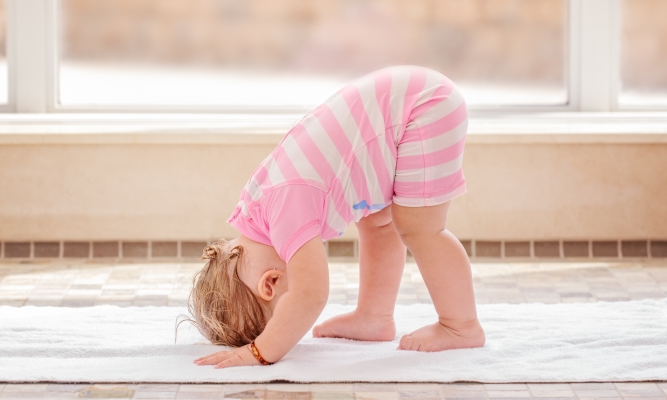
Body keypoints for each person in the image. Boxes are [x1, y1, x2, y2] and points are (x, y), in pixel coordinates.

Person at [187, 65, 485, 369]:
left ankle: (460, 325)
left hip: (423, 108)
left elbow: (310, 294)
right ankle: (374, 317)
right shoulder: (257, 207)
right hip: (408, 103)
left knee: (420, 228)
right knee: (379, 222)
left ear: (270, 284)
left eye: (282, 317)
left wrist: (259, 351)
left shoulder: (284, 213)